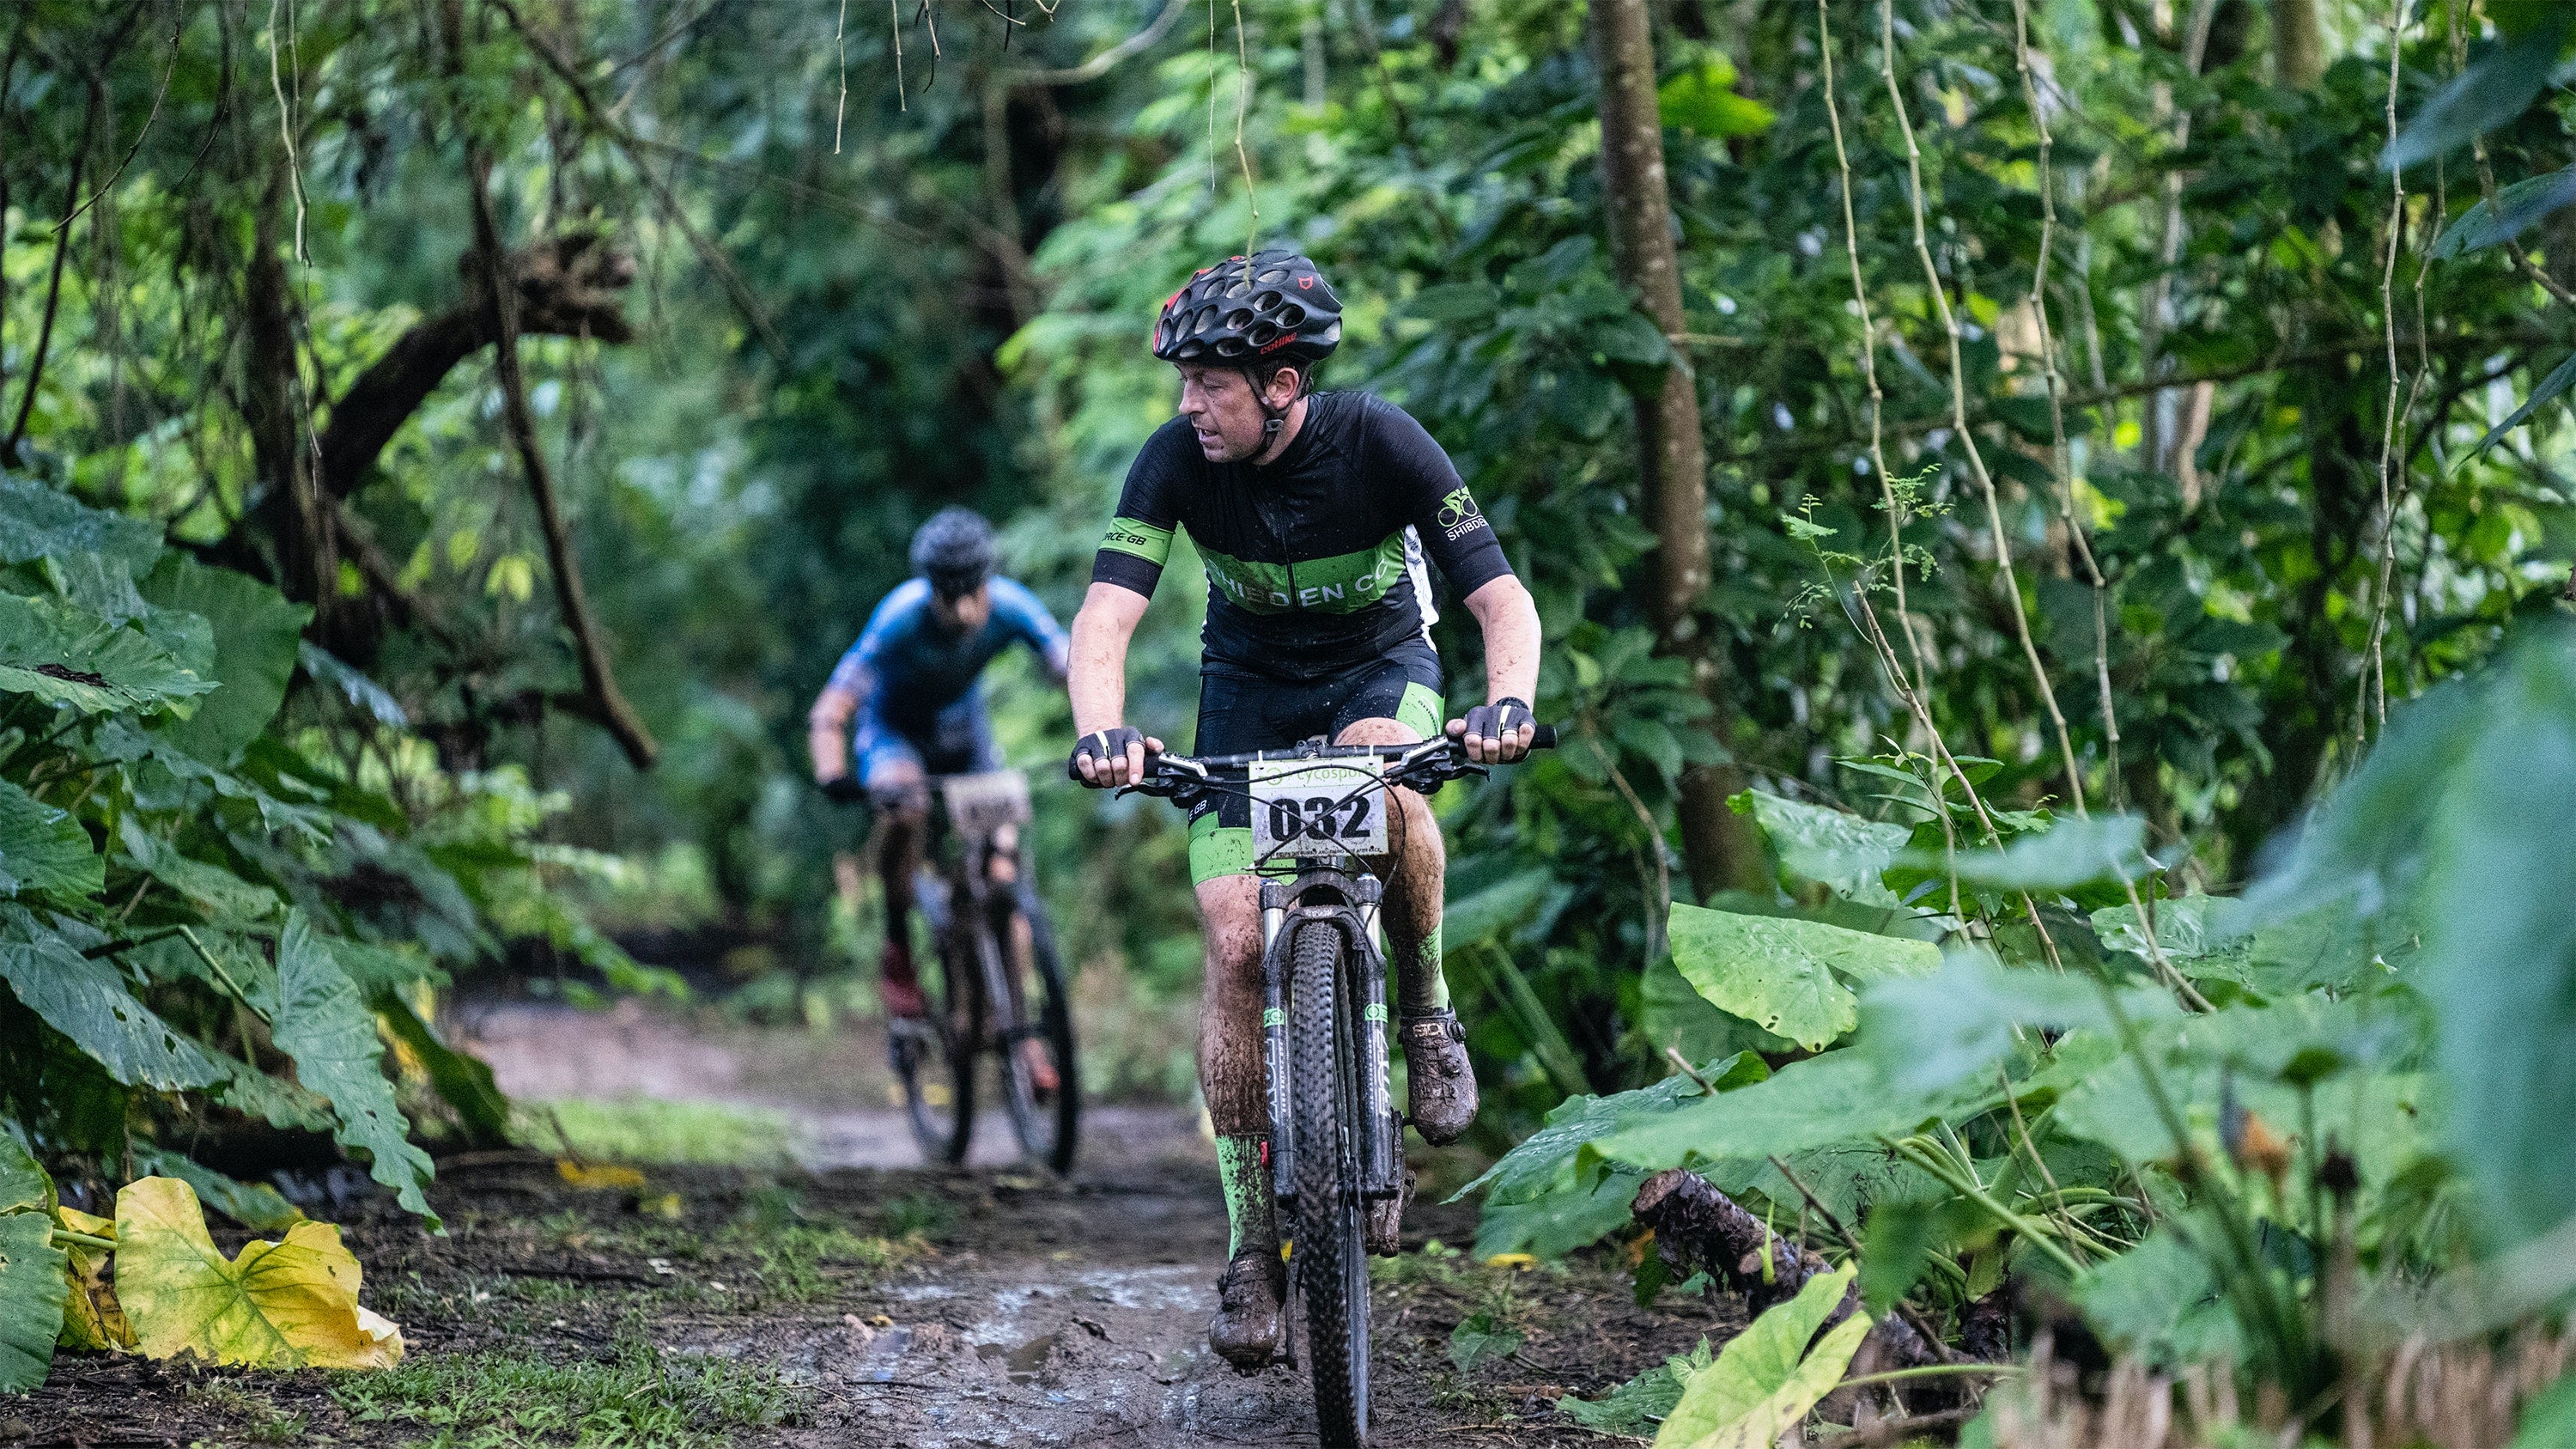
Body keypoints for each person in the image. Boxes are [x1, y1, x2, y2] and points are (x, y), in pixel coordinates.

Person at [1065, 250, 1540, 1371]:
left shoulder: (1382, 442)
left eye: (1209, 382)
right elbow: (1105, 615)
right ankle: (1248, 1240)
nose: (1189, 405)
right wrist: (1102, 726)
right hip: (1247, 697)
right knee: (1235, 938)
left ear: (1281, 379)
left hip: (1382, 673)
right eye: (1184, 383)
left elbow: (1499, 597)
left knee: (1391, 787)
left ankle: (1425, 1008)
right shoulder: (1175, 462)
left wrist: (1507, 700)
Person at [810, 508, 1071, 1039]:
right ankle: (899, 943)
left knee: (1003, 874)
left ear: (986, 582)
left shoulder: (1013, 606)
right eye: (944, 593)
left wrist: (1102, 733)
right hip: (894, 735)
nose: (959, 607)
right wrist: (833, 772)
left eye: (970, 590)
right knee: (906, 810)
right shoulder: (898, 619)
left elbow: (1071, 666)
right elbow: (832, 708)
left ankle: (1020, 1037)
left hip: (965, 737)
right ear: (928, 586)